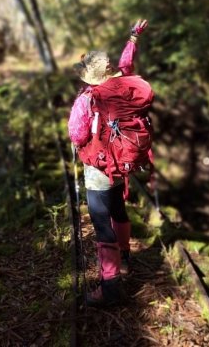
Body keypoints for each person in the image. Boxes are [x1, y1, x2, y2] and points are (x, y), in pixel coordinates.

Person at [68, 20, 152, 307]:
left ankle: (110, 287)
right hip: (124, 161)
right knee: (119, 209)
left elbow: (76, 134)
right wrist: (133, 38)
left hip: (100, 167)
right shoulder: (125, 85)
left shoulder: (88, 98)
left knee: (102, 224)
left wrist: (80, 144)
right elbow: (127, 64)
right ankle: (125, 258)